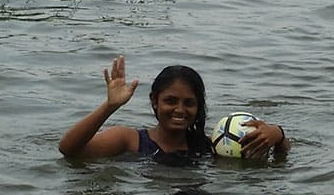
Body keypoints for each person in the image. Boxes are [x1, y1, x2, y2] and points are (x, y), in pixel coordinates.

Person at [57, 57, 287, 163]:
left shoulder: (212, 146)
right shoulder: (129, 140)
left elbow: (278, 158)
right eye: (170, 101)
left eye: (189, 103)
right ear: (154, 102)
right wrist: (109, 107)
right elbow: (69, 150)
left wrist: (278, 134)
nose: (179, 110)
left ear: (199, 107)